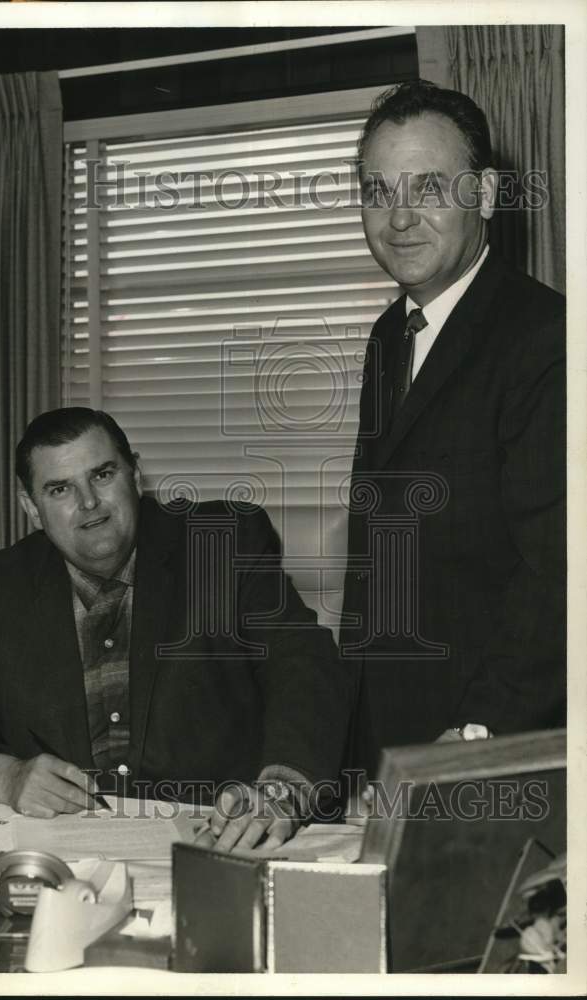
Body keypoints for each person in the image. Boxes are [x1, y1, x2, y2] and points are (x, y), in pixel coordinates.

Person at [0, 407, 352, 852]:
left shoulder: (222, 545)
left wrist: (282, 789)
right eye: (59, 489)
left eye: (102, 475)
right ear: (30, 506)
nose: (89, 504)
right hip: (63, 851)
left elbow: (303, 665)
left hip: (219, 835)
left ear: (134, 474)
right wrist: (4, 777)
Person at [341, 80, 565, 778]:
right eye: (378, 192)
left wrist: (472, 737)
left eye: (427, 188)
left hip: (497, 742)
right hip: (395, 733)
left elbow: (558, 577)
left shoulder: (547, 339)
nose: (398, 218)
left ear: (487, 196)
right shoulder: (390, 335)